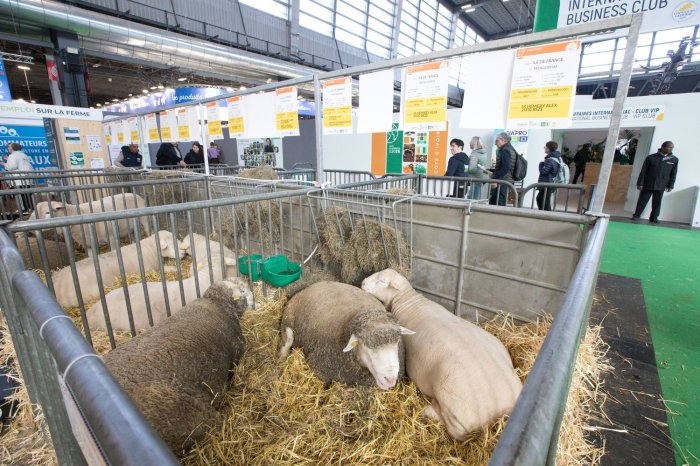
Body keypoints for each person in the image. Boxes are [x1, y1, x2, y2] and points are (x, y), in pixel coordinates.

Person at [632, 141, 679, 224]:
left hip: (662, 184)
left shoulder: (674, 159)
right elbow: (643, 171)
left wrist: (671, 185)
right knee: (642, 200)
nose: (671, 149)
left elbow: (673, 174)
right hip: (648, 183)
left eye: (672, 147)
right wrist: (640, 183)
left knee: (657, 202)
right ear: (663, 147)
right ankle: (636, 215)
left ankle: (654, 218)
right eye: (669, 147)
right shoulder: (651, 157)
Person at [0, 142, 35, 213]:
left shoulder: (12, 156)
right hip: (27, 178)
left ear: (12, 148)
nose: (8, 148)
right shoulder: (23, 154)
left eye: (9, 147)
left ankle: (24, 209)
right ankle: (30, 208)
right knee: (28, 194)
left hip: (19, 179)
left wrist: (3, 163)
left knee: (20, 195)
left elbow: (12, 167)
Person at [489, 132, 516, 206]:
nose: (495, 143)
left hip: (503, 181)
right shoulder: (510, 149)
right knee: (493, 201)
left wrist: (496, 179)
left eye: (496, 140)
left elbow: (506, 167)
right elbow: (505, 166)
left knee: (499, 203)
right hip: (506, 180)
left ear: (503, 140)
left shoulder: (505, 150)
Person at [536, 141, 562, 211]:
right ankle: (543, 214)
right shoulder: (556, 158)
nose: (544, 148)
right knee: (541, 199)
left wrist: (541, 164)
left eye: (545, 146)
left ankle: (546, 215)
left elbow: (543, 171)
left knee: (544, 201)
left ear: (548, 148)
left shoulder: (550, 160)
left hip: (546, 183)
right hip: (549, 182)